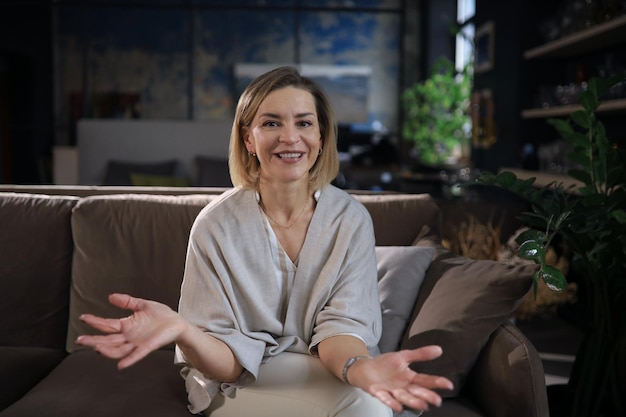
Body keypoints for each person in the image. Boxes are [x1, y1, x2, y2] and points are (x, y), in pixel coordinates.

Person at [76, 66, 453, 417]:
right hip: (235, 379)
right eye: (271, 123)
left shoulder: (350, 220)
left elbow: (343, 330)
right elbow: (227, 360)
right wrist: (183, 330)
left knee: (370, 406)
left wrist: (360, 368)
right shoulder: (216, 225)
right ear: (248, 138)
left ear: (321, 138)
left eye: (303, 123)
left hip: (323, 366)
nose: (289, 137)